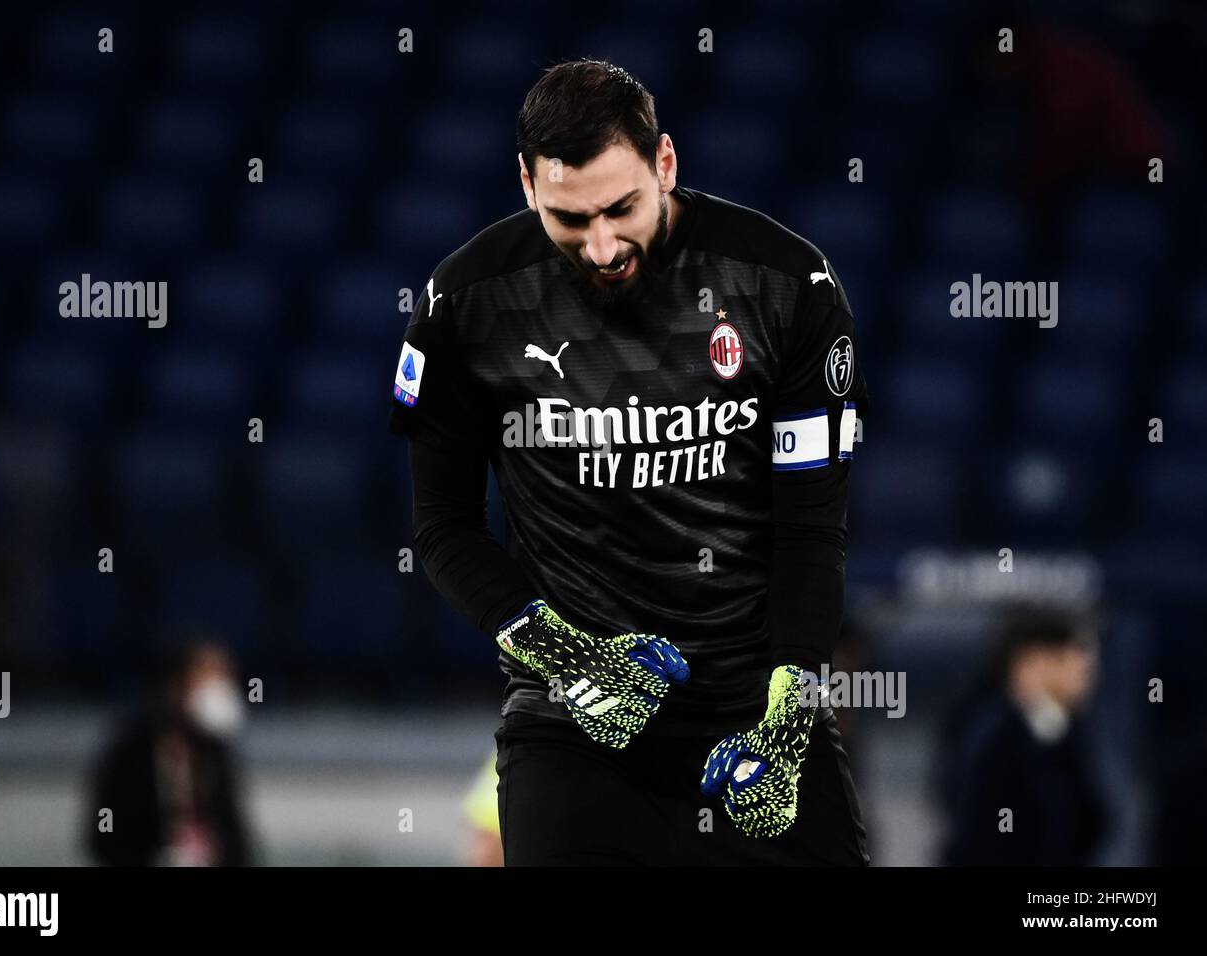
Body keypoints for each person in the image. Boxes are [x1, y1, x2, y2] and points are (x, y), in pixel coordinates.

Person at [390, 60, 870, 865]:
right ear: (525, 184)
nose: (603, 245)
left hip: (755, 712)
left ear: (666, 165)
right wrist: (564, 654)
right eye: (570, 219)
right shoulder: (467, 305)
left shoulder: (786, 287)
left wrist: (789, 716)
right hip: (569, 721)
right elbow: (443, 527)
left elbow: (810, 531)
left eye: (623, 208)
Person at [939, 607, 1107, 866]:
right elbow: (979, 838)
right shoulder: (989, 739)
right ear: (1033, 663)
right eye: (1077, 660)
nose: (1089, 675)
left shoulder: (1066, 734)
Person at [86, 640, 252, 866]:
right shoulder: (129, 752)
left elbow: (237, 841)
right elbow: (103, 837)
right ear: (176, 686)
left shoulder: (215, 753)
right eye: (208, 680)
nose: (220, 691)